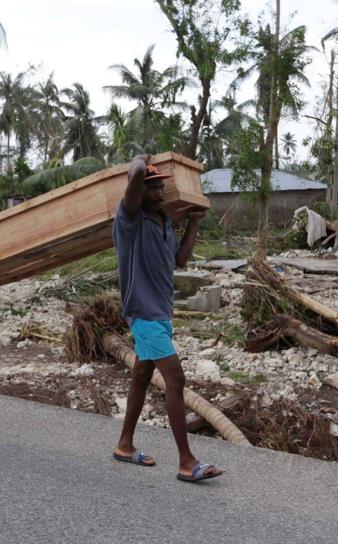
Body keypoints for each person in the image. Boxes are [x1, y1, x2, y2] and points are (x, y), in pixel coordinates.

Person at [111, 156, 224, 483]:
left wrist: (193, 222)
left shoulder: (162, 222)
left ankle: (124, 444)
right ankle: (187, 462)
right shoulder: (129, 220)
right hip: (142, 313)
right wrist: (140, 161)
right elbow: (133, 173)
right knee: (175, 380)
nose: (160, 192)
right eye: (153, 187)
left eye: (162, 187)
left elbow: (180, 259)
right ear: (139, 193)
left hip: (161, 314)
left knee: (141, 377)